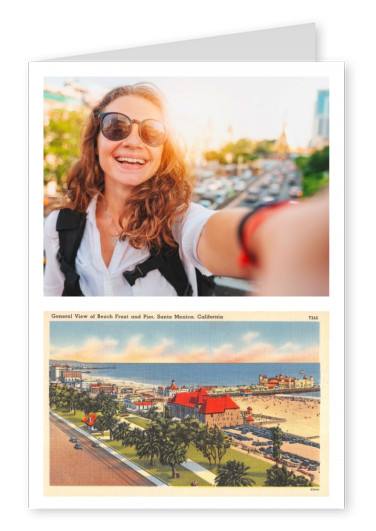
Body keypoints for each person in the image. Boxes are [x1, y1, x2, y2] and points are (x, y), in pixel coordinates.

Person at [44, 83, 329, 297]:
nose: (133, 141)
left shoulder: (177, 222)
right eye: (116, 126)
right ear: (95, 140)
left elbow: (211, 232)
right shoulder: (59, 227)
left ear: (163, 151)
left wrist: (277, 233)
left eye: (151, 131)